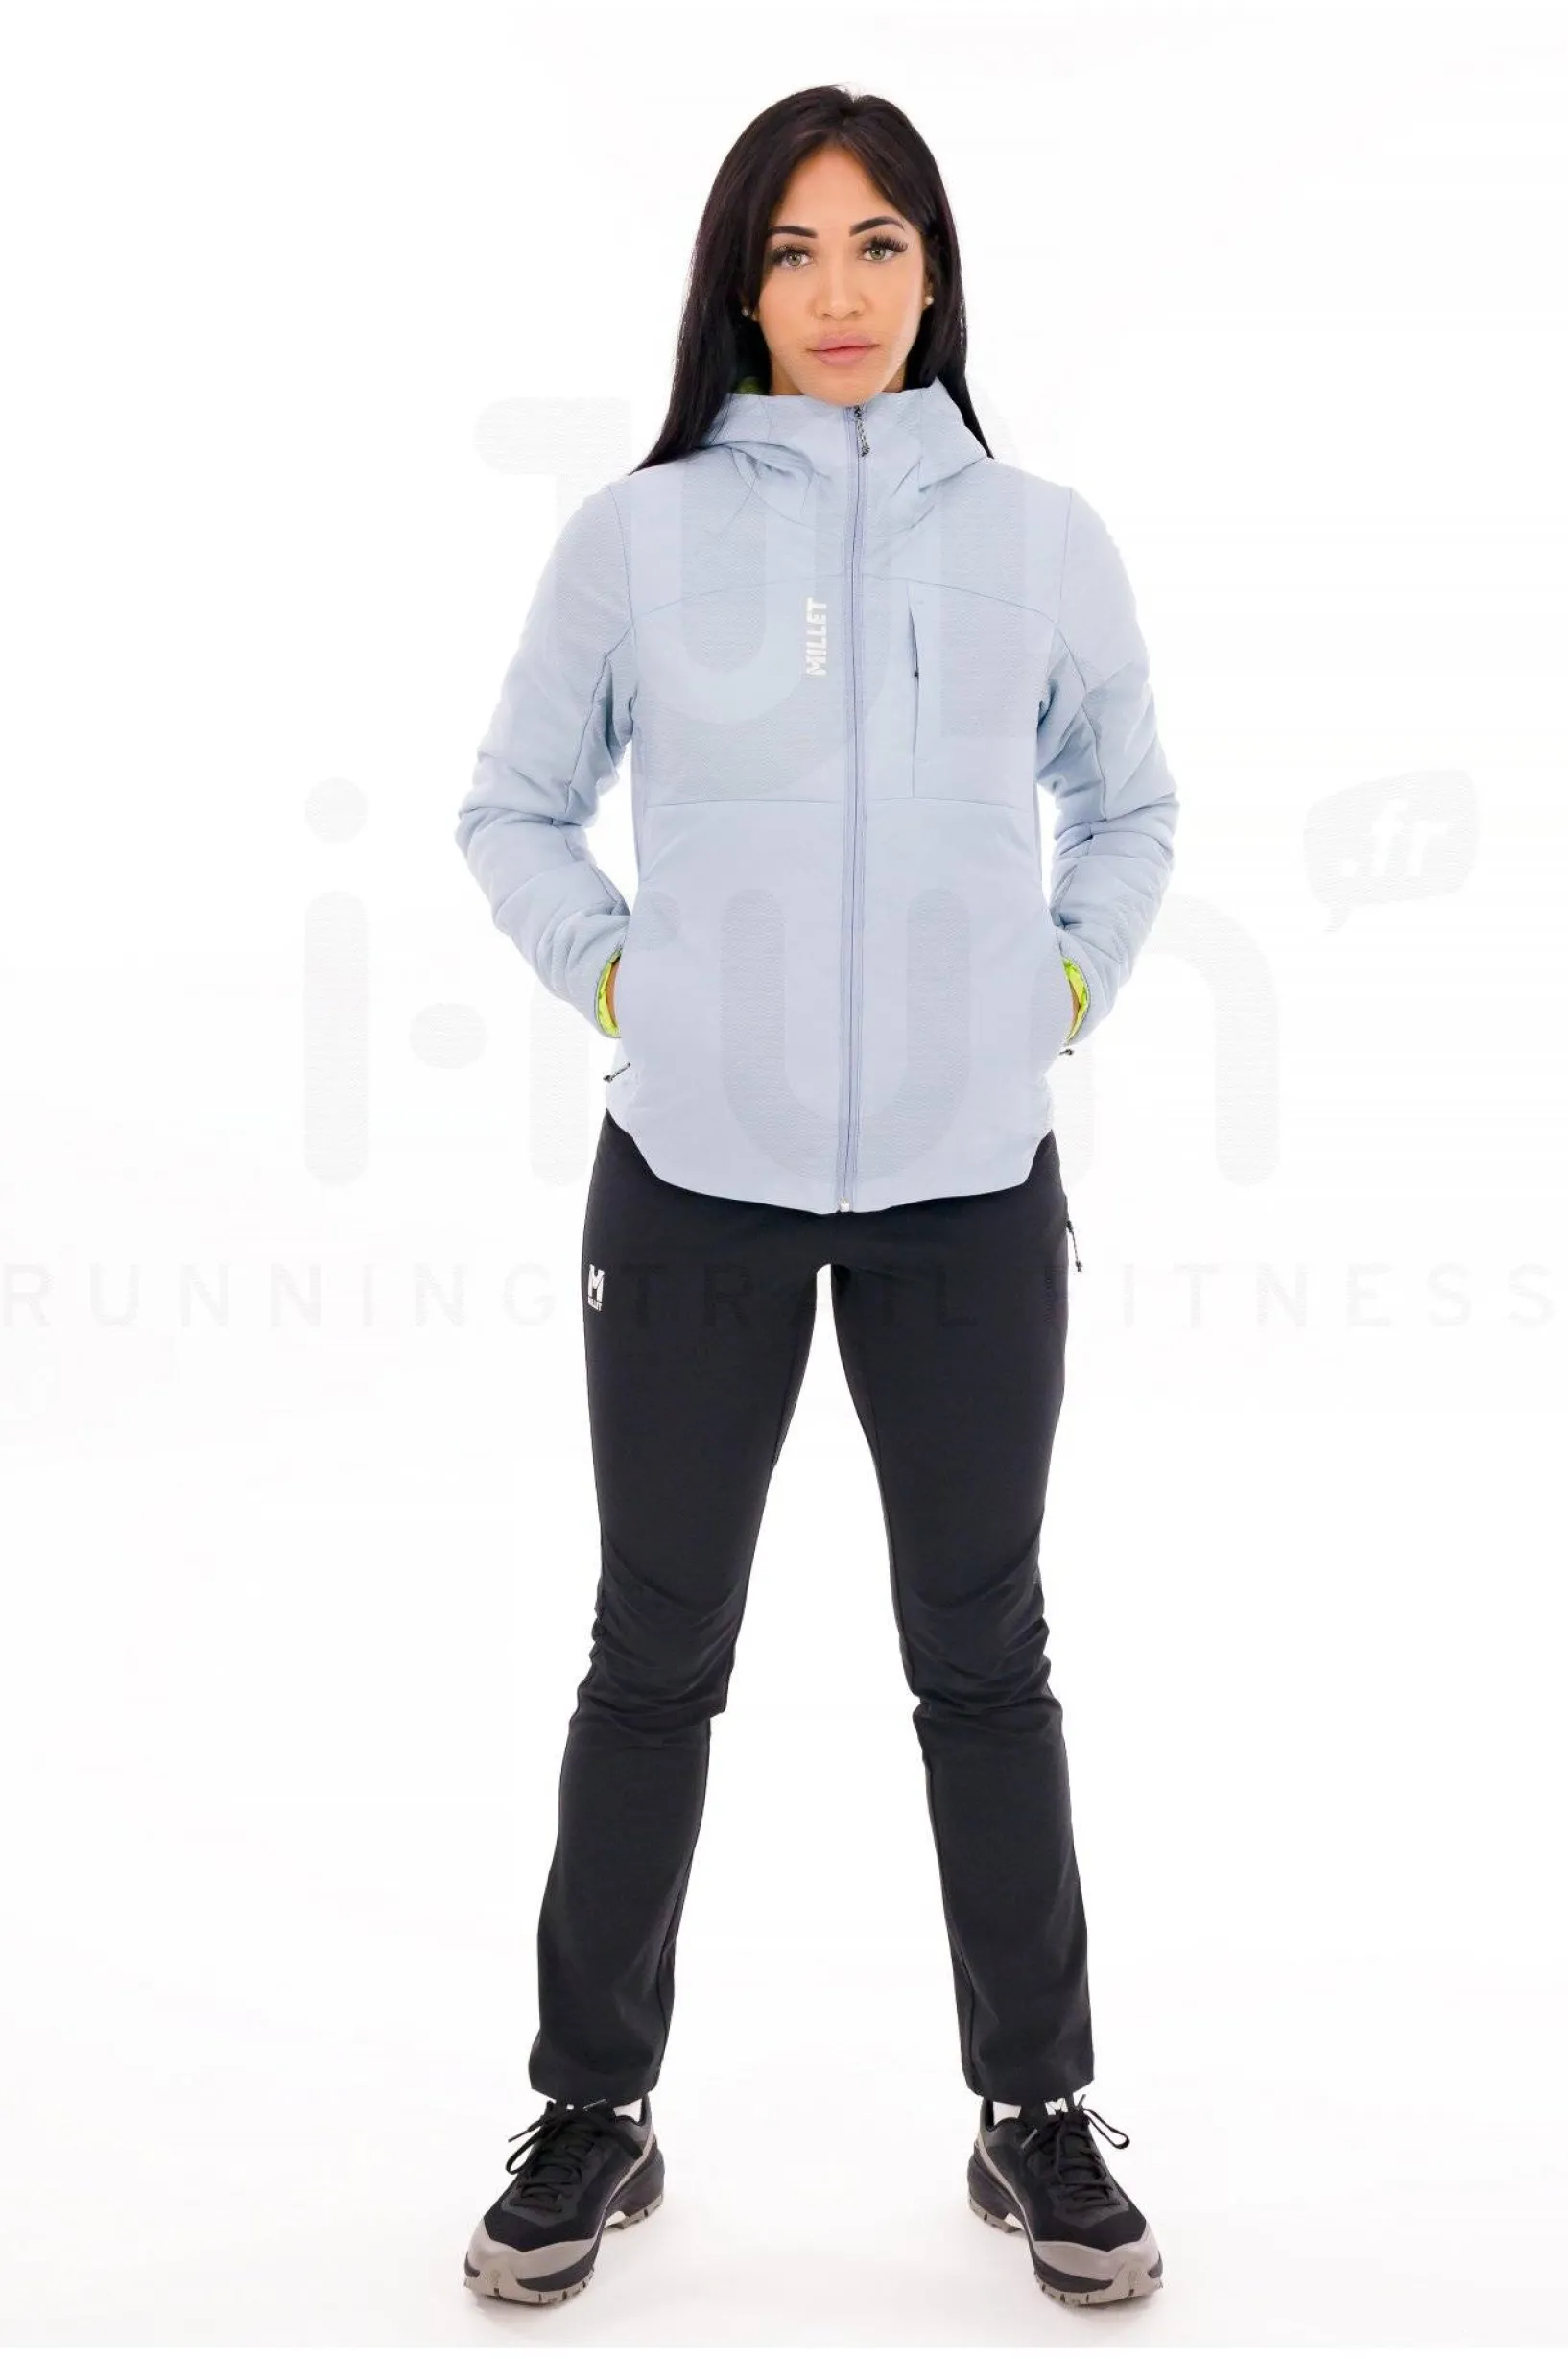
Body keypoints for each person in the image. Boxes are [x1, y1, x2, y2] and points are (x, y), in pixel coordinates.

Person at [454, 83, 1177, 2311]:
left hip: (967, 1185)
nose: (839, 291)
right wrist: (633, 982)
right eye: (792, 249)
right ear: (737, 285)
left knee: (986, 1649)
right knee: (651, 1645)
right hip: (695, 1178)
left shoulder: (1040, 536)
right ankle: (593, 2104)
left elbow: (1130, 807)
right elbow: (512, 808)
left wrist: (1054, 989)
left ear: (934, 272)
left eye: (877, 245)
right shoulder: (638, 536)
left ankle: (1034, 2108)